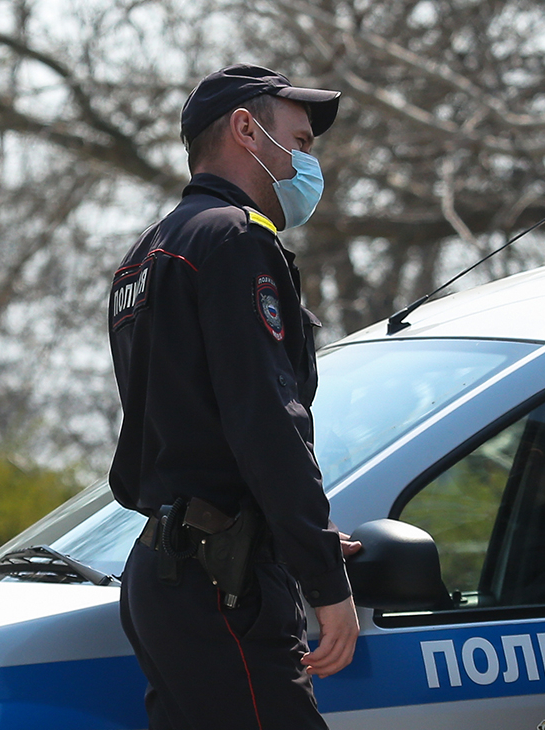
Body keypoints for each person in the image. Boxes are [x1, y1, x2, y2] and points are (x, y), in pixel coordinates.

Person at [107, 64, 358, 730]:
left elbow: (189, 431)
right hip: (225, 581)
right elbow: (266, 425)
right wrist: (325, 581)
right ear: (247, 131)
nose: (309, 162)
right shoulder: (236, 241)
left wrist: (304, 535)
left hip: (166, 574)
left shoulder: (145, 253)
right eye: (301, 142)